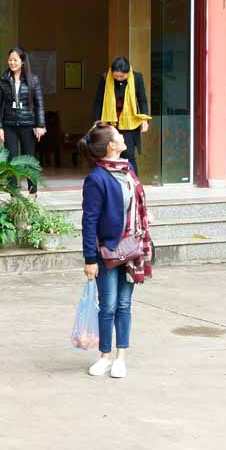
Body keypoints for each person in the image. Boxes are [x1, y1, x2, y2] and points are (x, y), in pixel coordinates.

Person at [79, 121, 153, 379]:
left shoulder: (128, 169)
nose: (124, 138)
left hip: (132, 247)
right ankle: (105, 356)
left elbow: (134, 202)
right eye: (120, 136)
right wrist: (90, 259)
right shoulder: (96, 178)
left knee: (124, 304)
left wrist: (144, 218)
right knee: (107, 305)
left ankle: (121, 356)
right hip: (107, 251)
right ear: (112, 145)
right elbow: (89, 222)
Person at [0, 46, 46, 195]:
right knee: (11, 160)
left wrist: (40, 125)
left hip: (28, 125)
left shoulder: (33, 80)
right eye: (10, 60)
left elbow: (39, 104)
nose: (12, 62)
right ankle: (13, 193)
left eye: (15, 60)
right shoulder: (3, 80)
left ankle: (32, 192)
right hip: (9, 125)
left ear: (22, 61)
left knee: (29, 159)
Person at [91, 56, 151, 176]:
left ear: (128, 73)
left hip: (129, 123)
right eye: (116, 76)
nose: (118, 78)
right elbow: (99, 100)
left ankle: (133, 183)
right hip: (109, 123)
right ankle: (111, 182)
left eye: (121, 76)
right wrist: (97, 121)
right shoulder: (105, 78)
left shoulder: (137, 78)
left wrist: (144, 120)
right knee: (108, 154)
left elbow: (142, 100)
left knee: (128, 154)